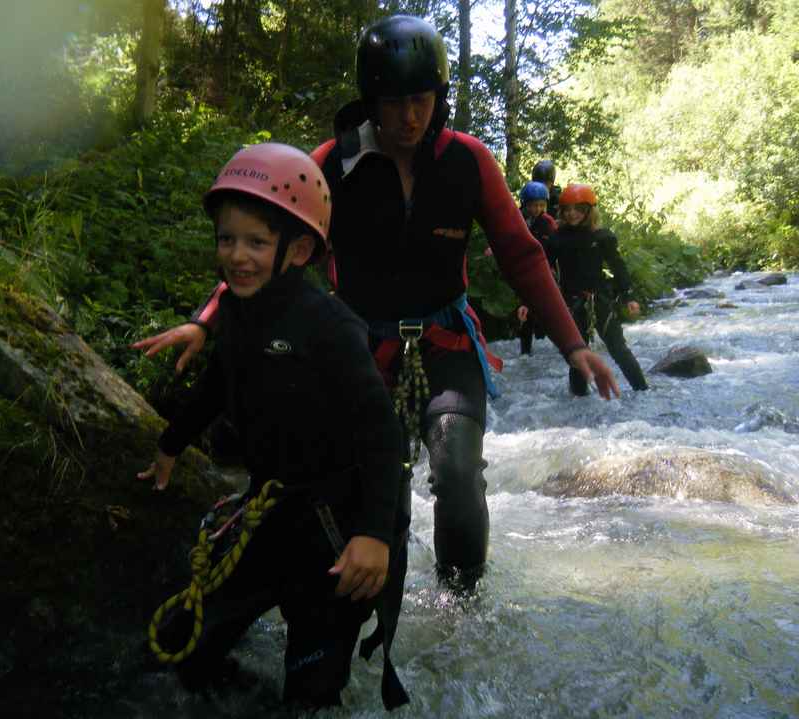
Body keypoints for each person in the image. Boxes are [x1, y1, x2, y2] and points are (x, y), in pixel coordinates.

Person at [135, 15, 618, 588]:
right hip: (356, 349)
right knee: (364, 480)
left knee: (459, 471)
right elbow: (268, 244)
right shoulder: (332, 165)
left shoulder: (468, 161)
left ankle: (460, 609)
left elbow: (520, 254)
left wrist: (573, 344)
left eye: (421, 99)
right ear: (371, 100)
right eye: (394, 102)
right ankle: (369, 603)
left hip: (447, 341)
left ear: (438, 98)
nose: (410, 116)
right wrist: (207, 322)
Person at [140, 143, 410, 710]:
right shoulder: (239, 311)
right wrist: (171, 444)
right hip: (275, 507)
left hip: (340, 525)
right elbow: (219, 383)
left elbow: (383, 435)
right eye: (227, 238)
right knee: (182, 655)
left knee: (308, 697)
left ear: (299, 249)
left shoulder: (330, 326)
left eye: (256, 242)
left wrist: (374, 536)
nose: (237, 256)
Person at [547, 183, 649, 395]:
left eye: (578, 209)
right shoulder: (557, 239)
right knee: (578, 354)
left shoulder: (602, 237)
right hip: (573, 302)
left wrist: (628, 295)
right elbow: (542, 268)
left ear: (589, 211)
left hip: (600, 300)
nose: (572, 213)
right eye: (567, 209)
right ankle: (579, 399)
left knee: (619, 349)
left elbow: (618, 267)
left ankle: (643, 390)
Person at [515, 181, 558, 356]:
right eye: (533, 205)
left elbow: (555, 246)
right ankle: (525, 351)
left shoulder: (547, 222)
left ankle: (550, 341)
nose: (538, 209)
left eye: (541, 205)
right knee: (525, 311)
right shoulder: (517, 217)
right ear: (525, 204)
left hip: (545, 269)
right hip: (525, 269)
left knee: (546, 310)